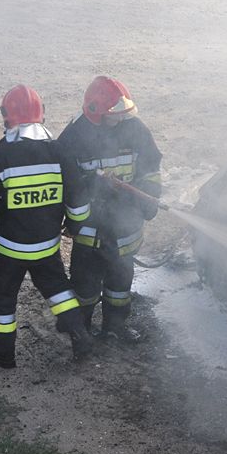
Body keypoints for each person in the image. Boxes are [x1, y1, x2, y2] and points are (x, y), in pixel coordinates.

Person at [0, 84, 94, 366]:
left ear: (6, 117)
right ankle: (80, 335)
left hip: (7, 250)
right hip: (47, 246)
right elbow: (78, 196)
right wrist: (76, 224)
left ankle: (1, 354)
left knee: (0, 300)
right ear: (42, 115)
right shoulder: (60, 152)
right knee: (59, 289)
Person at [57, 76, 162, 341]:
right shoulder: (74, 137)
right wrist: (75, 220)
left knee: (120, 283)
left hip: (126, 226)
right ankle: (81, 330)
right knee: (85, 286)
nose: (119, 119)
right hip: (91, 233)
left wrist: (148, 199)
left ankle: (116, 327)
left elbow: (150, 168)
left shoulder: (135, 129)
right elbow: (65, 185)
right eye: (113, 115)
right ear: (95, 112)